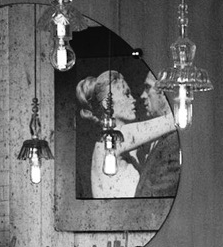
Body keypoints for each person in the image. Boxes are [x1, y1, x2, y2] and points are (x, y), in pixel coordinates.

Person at [75, 70, 176, 198]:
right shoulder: (116, 137)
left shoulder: (106, 142)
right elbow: (173, 121)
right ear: (107, 104)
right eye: (126, 94)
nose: (133, 99)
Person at [133, 72, 181, 198]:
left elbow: (159, 193)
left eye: (148, 87)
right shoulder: (162, 138)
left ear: (165, 93)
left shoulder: (173, 142)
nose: (143, 95)